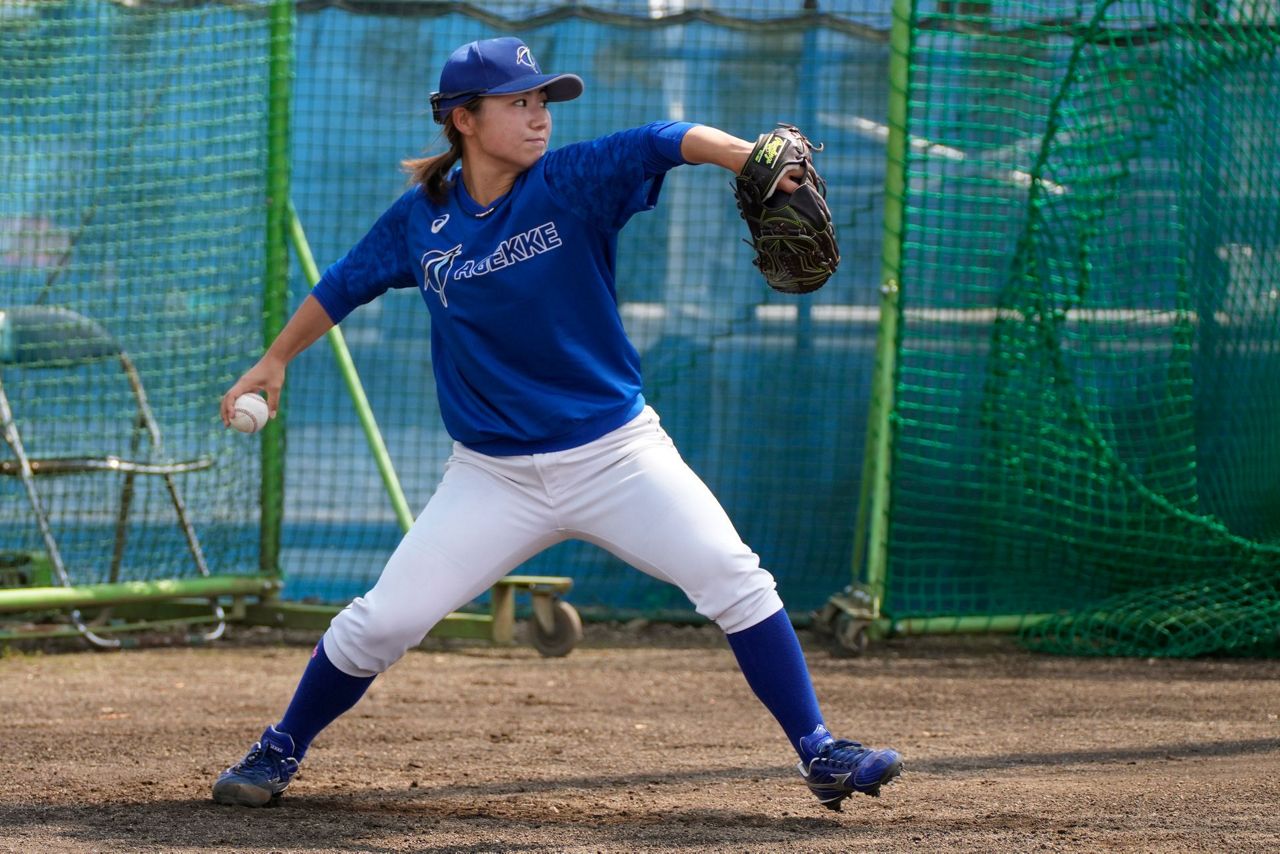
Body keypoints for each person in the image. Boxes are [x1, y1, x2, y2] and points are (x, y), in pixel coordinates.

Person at [211, 36, 902, 813]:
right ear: (463, 119)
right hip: (492, 476)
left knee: (734, 578)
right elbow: (344, 285)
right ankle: (279, 748)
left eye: (542, 100)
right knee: (381, 623)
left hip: (616, 454)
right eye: (519, 102)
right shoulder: (424, 221)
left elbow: (661, 140)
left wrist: (744, 156)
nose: (539, 116)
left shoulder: (570, 182)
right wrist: (274, 361)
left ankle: (819, 750)